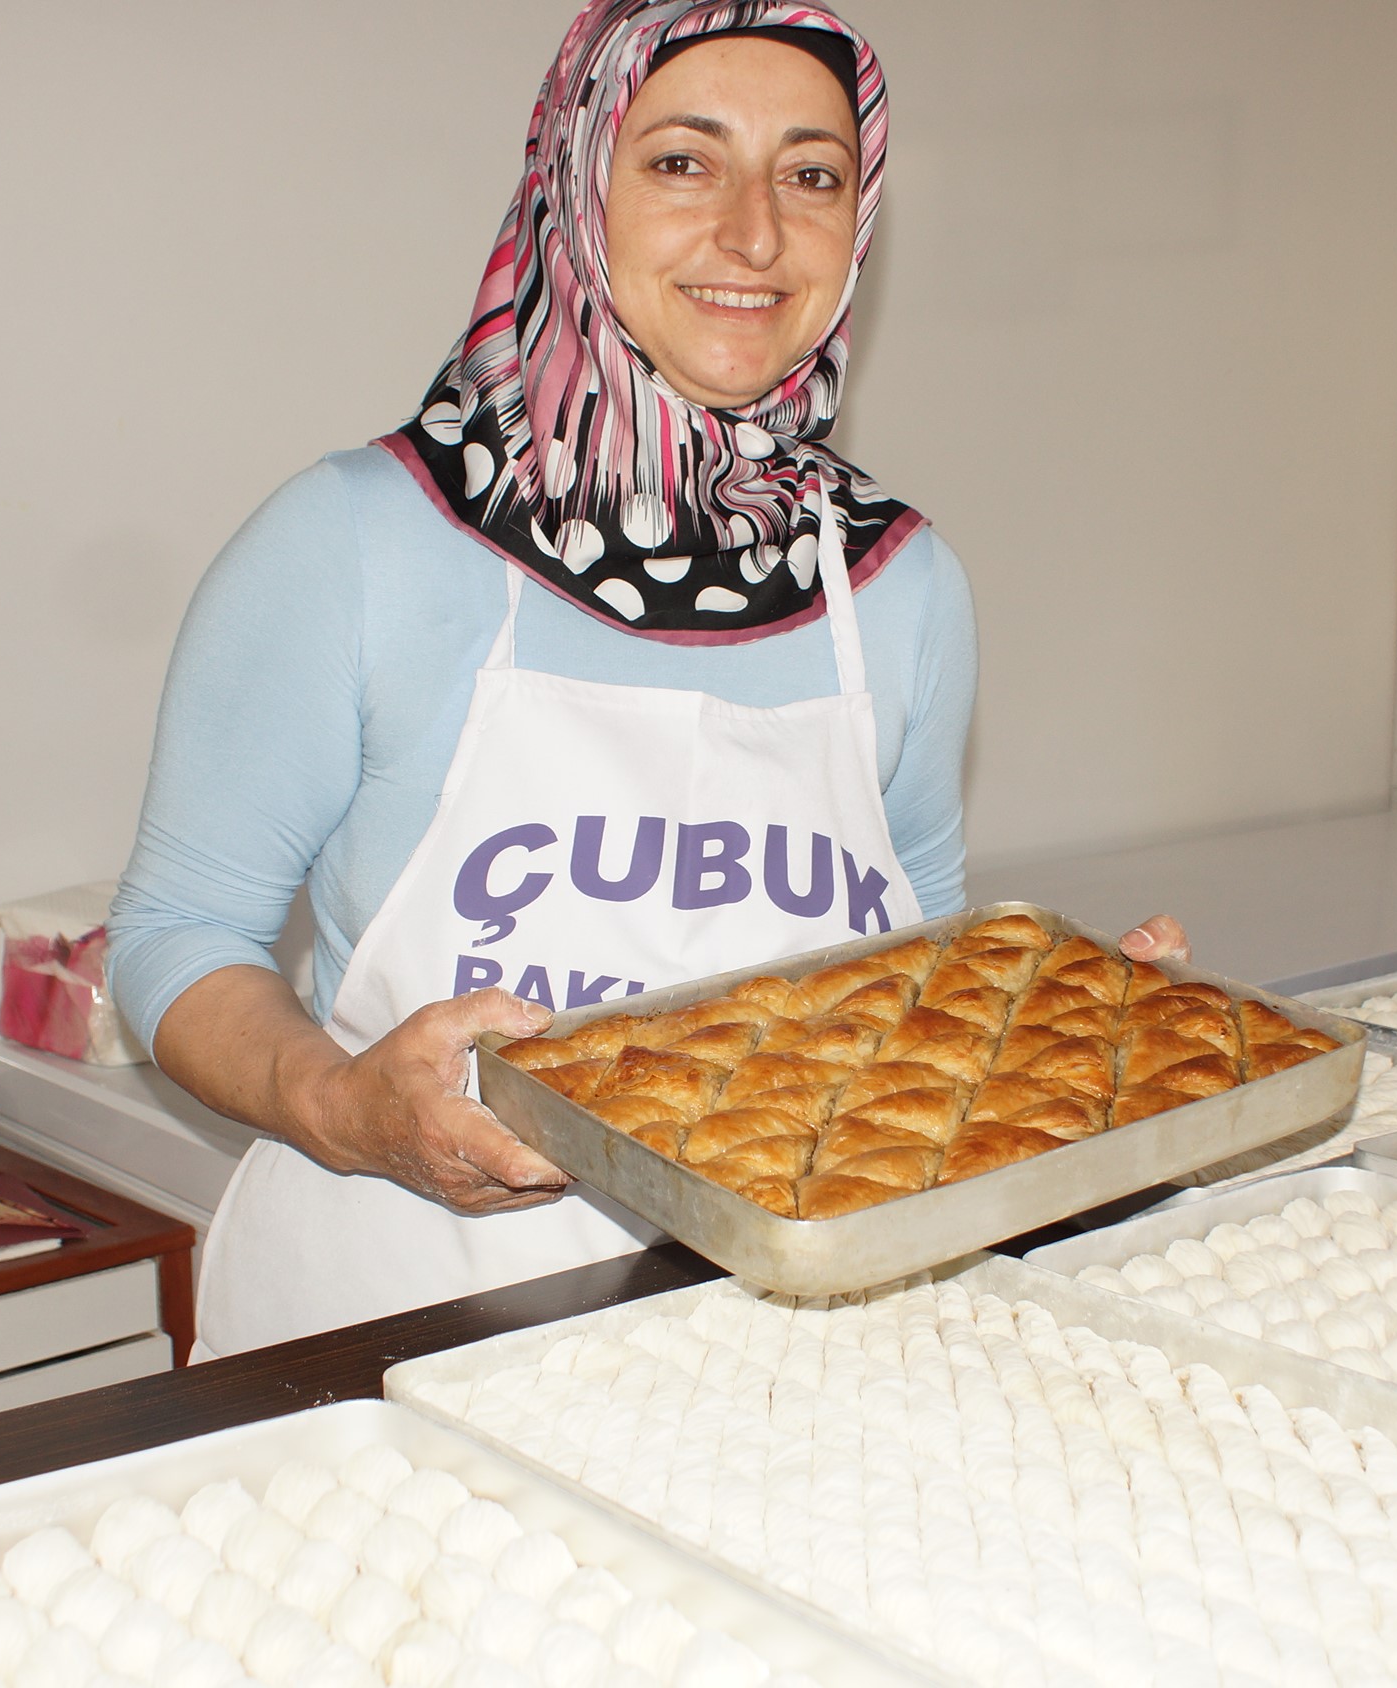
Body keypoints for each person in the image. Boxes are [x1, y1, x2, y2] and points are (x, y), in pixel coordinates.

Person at [108, 0, 1187, 1360]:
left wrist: (1055, 1036)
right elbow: (177, 933)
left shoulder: (897, 586)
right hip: (395, 1338)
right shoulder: (362, 541)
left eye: (812, 175)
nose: (756, 233)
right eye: (684, 161)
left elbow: (915, 967)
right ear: (577, 186)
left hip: (772, 1358)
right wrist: (344, 1108)